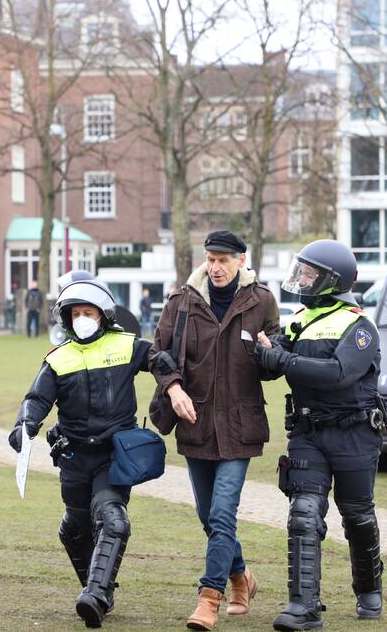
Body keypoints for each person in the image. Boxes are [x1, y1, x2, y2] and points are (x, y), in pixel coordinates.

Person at [149, 230, 279, 631]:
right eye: (211, 259)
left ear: (241, 260)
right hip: (195, 422)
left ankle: (209, 598)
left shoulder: (262, 301)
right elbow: (157, 353)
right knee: (209, 517)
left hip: (241, 427)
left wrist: (270, 351)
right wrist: (172, 389)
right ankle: (241, 577)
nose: (217, 267)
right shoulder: (181, 302)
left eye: (224, 259)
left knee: (223, 513)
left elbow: (273, 360)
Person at [251, 239, 384, 631]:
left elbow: (340, 373)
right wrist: (261, 350)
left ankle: (369, 589)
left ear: (331, 280)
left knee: (357, 516)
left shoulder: (360, 325)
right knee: (303, 514)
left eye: (309, 273)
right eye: (302, 270)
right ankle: (304, 607)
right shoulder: (298, 320)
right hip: (308, 433)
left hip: (355, 433)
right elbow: (270, 367)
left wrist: (284, 358)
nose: (302, 279)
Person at [8, 278, 153, 628]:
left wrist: (174, 384)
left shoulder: (128, 345)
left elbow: (162, 360)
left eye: (88, 312)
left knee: (112, 518)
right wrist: (23, 426)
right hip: (73, 457)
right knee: (74, 528)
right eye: (75, 313)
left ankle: (96, 596)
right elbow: (36, 400)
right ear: (66, 319)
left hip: (113, 455)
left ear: (102, 315)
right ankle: (99, 588)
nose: (82, 318)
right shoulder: (57, 359)